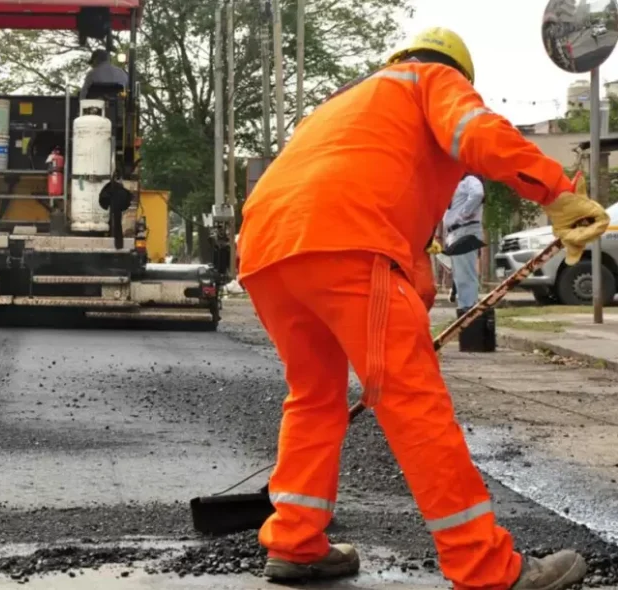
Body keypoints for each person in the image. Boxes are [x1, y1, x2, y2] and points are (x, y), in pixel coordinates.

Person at [236, 27, 609, 590]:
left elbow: (401, 247)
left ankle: (294, 540)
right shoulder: (430, 80)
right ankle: (483, 566)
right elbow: (478, 133)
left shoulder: (345, 105)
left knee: (314, 398)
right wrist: (556, 192)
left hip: (268, 250)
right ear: (457, 73)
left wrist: (409, 316)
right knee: (413, 401)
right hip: (348, 241)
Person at [445, 174, 487, 313]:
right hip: (457, 232)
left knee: (465, 276)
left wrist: (464, 213)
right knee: (461, 275)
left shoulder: (470, 179)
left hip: (465, 230)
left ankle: (468, 310)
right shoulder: (459, 183)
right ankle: (466, 308)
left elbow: (478, 193)